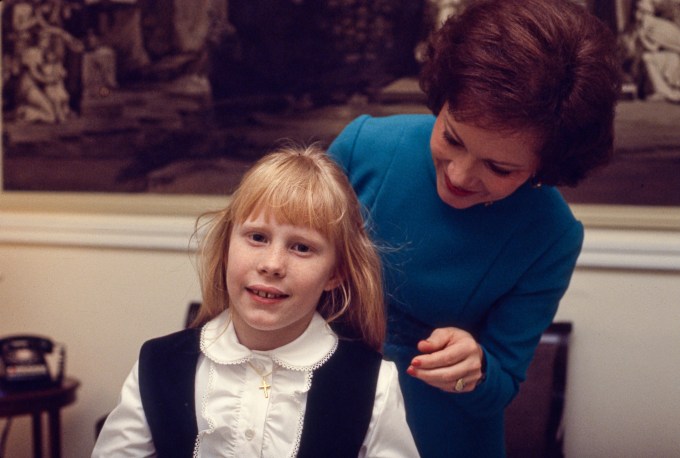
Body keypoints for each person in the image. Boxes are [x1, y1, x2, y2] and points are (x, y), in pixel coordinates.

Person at [328, 0, 622, 456]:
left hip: (440, 434)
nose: (460, 177)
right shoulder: (363, 146)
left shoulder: (552, 235)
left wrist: (475, 365)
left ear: (546, 168)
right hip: (322, 402)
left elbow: (502, 382)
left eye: (500, 167)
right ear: (442, 98)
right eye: (452, 137)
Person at [92, 145, 420, 457]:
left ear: (335, 273)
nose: (272, 264)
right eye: (258, 238)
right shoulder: (157, 364)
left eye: (302, 247)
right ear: (225, 248)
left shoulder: (373, 383)